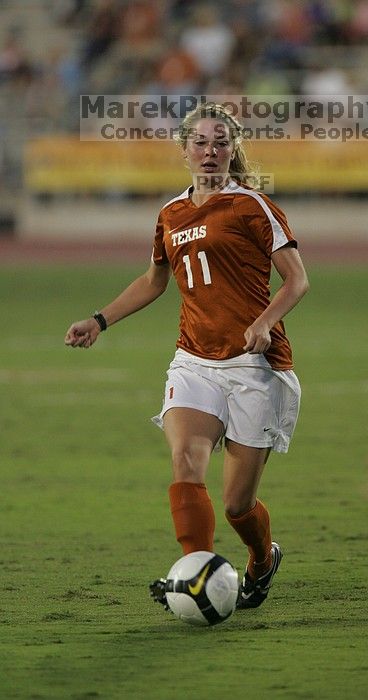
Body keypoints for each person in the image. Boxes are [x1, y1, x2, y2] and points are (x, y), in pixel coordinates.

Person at [65, 102, 309, 611]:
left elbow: (297, 279)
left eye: (220, 142)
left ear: (232, 150)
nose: (210, 152)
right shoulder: (171, 213)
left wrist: (263, 323)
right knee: (184, 460)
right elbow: (156, 280)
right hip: (195, 359)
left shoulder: (251, 205)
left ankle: (262, 559)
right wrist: (99, 319)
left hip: (253, 367)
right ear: (184, 151)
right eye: (200, 143)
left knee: (238, 506)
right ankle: (197, 574)